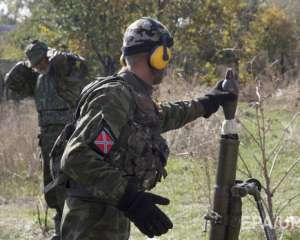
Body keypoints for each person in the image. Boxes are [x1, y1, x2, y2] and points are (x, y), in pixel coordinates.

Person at [59, 17, 238, 240]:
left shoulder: (133, 96)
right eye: (167, 55)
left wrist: (208, 102)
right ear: (157, 56)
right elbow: (77, 157)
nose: (168, 62)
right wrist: (131, 199)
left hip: (106, 218)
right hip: (90, 225)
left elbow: (161, 117)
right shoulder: (114, 96)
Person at [4, 40, 90, 240]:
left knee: (70, 181)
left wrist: (58, 56)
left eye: (41, 62)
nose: (39, 66)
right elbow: (11, 83)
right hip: (47, 138)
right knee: (52, 184)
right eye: (35, 64)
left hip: (67, 134)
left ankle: (76, 230)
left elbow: (80, 66)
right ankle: (61, 229)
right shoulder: (37, 79)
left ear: (48, 57)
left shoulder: (62, 70)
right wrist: (24, 64)